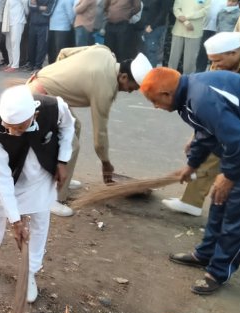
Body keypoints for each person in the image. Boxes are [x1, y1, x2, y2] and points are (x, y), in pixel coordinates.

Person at [140, 67, 240, 295]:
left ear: (166, 93)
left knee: (239, 216)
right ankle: (206, 254)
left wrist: (227, 176)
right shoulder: (188, 97)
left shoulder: (201, 98)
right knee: (219, 203)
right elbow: (205, 133)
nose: (155, 107)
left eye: (155, 101)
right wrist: (191, 165)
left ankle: (218, 272)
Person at [0, 85, 74, 304]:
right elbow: (0, 175)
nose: (14, 133)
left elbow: (68, 127)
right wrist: (15, 220)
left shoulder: (55, 107)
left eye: (19, 127)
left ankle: (30, 272)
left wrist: (63, 160)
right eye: (9, 127)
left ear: (34, 115)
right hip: (11, 175)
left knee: (40, 220)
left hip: (41, 175)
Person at [25, 45, 152, 216]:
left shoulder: (105, 52)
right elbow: (100, 134)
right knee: (71, 144)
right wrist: (106, 164)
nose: (129, 92)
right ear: (123, 76)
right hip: (40, 97)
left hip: (42, 85)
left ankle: (61, 179)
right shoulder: (105, 87)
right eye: (132, 87)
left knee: (75, 126)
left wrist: (59, 80)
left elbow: (63, 52)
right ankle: (53, 198)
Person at [162, 32, 240, 216]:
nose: (214, 65)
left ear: (234, 53)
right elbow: (207, 109)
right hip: (227, 122)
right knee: (210, 151)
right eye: (212, 61)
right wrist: (195, 135)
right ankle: (191, 202)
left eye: (217, 61)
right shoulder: (217, 66)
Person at [169, 0, 211, 74]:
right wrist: (186, 22)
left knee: (190, 61)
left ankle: (188, 80)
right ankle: (170, 78)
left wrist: (187, 17)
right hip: (178, 30)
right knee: (173, 59)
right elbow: (176, 9)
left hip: (194, 31)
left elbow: (205, 10)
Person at [26, 0, 56, 71]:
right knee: (31, 46)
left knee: (41, 47)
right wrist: (42, 8)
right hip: (33, 24)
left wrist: (36, 7)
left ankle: (38, 66)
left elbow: (48, 12)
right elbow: (30, 7)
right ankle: (31, 64)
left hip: (44, 25)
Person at [140, 0, 168, 66]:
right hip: (145, 26)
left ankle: (152, 74)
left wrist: (152, 26)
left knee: (152, 53)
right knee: (146, 52)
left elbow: (164, 12)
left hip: (155, 27)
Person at [3, 0, 29, 72]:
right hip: (8, 22)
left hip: (18, 22)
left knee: (15, 43)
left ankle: (15, 65)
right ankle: (11, 63)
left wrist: (23, 14)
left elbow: (26, 9)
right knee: (8, 44)